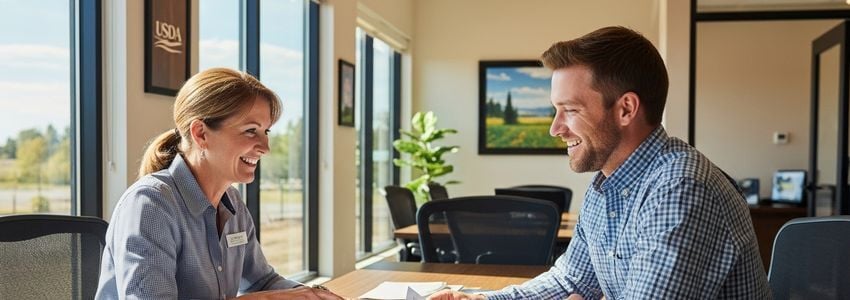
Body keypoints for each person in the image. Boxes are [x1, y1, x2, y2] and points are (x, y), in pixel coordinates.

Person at [430, 26, 771, 299]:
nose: (555, 128)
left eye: (571, 110)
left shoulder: (680, 188)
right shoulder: (607, 184)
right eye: (555, 109)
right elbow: (572, 278)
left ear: (625, 109)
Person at [96, 68, 341, 299]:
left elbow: (261, 281)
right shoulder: (150, 205)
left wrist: (314, 295)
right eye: (250, 130)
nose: (265, 148)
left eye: (265, 132)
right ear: (201, 133)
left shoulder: (232, 202)